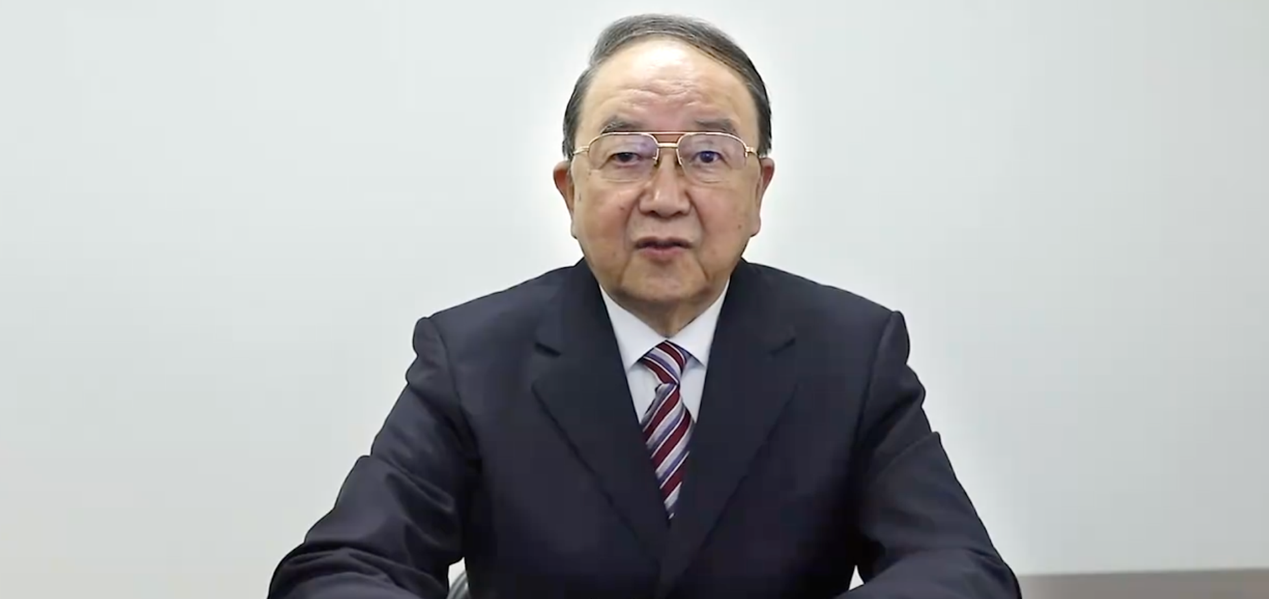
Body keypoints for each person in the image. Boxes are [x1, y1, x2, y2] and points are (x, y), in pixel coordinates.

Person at [267, 13, 1019, 599]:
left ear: (759, 191)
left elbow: (957, 567)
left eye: (707, 156)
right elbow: (342, 568)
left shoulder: (851, 353)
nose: (664, 197)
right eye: (626, 156)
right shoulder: (471, 357)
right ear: (570, 190)